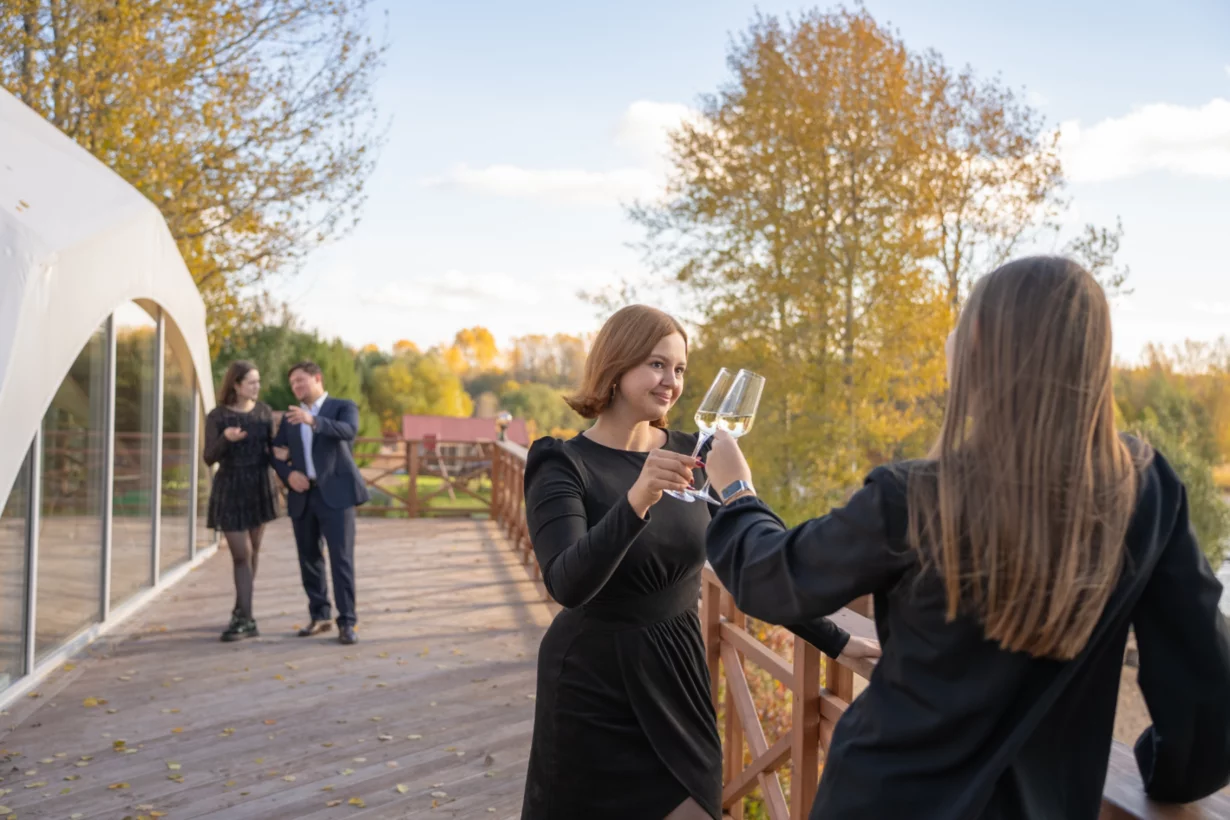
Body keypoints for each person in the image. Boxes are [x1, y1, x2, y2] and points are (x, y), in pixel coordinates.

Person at [703, 257, 1230, 819]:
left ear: (980, 343)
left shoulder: (916, 496)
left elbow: (771, 578)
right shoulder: (1145, 491)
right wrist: (1161, 773)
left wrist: (736, 493)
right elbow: (1209, 707)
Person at [520, 305, 879, 820]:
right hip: (591, 682)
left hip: (676, 675)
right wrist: (637, 499)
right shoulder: (562, 462)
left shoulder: (696, 454)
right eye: (656, 364)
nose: (672, 381)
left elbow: (751, 561)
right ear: (615, 365)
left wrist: (838, 642)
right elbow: (567, 583)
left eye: (681, 368)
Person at [270, 361, 370, 646]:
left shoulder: (342, 406)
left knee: (342, 560)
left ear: (317, 379)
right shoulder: (291, 417)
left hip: (337, 496)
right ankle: (320, 615)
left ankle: (347, 622)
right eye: (292, 384)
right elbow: (275, 453)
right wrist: (288, 474)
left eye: (301, 381)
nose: (296, 387)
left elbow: (348, 431)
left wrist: (313, 421)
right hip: (303, 496)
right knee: (309, 559)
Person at [203, 360, 280, 642]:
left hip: (259, 487)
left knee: (253, 552)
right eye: (251, 382)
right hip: (231, 488)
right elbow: (209, 457)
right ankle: (246, 619)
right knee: (241, 554)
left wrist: (285, 459)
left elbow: (272, 450)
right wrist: (226, 438)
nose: (257, 387)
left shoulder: (264, 413)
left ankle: (241, 610)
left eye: (258, 381)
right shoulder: (218, 417)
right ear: (236, 385)